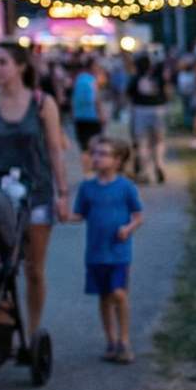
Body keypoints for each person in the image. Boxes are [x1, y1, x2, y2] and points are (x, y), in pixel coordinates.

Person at [0, 41, 67, 340]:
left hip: (36, 192)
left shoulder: (42, 102)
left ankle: (32, 331)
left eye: (2, 62)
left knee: (34, 268)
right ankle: (2, 319)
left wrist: (63, 193)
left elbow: (55, 150)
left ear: (20, 66)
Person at [64, 136, 143, 364]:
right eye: (95, 153)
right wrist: (65, 216)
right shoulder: (87, 188)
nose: (96, 158)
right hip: (96, 253)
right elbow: (80, 214)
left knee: (118, 293)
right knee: (104, 297)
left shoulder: (126, 187)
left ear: (117, 160)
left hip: (119, 252)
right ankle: (110, 341)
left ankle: (124, 340)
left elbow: (139, 216)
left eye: (103, 154)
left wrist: (128, 229)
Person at [128, 55, 170, 183]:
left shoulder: (136, 79)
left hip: (140, 110)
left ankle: (144, 172)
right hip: (158, 109)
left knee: (142, 142)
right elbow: (167, 92)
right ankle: (159, 164)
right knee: (158, 141)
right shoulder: (158, 78)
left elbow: (129, 94)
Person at [71, 55, 104, 170]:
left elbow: (73, 98)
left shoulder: (78, 79)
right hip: (92, 116)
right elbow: (96, 100)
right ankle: (93, 168)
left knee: (84, 146)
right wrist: (101, 115)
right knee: (95, 144)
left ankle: (87, 170)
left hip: (79, 116)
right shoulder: (92, 81)